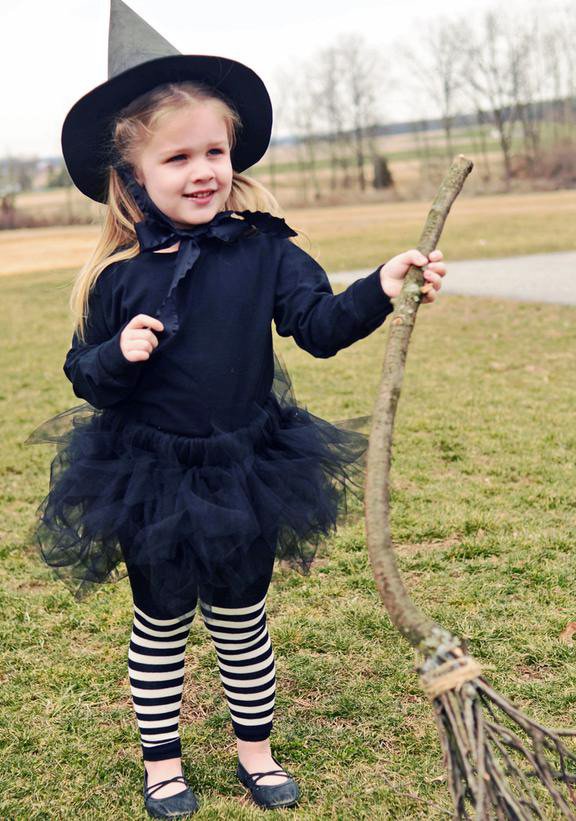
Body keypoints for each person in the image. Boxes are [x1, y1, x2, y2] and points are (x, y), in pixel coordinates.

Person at [24, 1, 447, 817]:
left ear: (234, 153)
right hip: (149, 473)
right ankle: (162, 764)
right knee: (160, 623)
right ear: (132, 177)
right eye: (177, 156)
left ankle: (256, 748)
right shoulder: (116, 278)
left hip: (249, 466)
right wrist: (120, 355)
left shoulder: (266, 249)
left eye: (213, 149)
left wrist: (380, 287)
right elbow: (84, 372)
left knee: (242, 620)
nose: (202, 169)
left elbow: (318, 328)